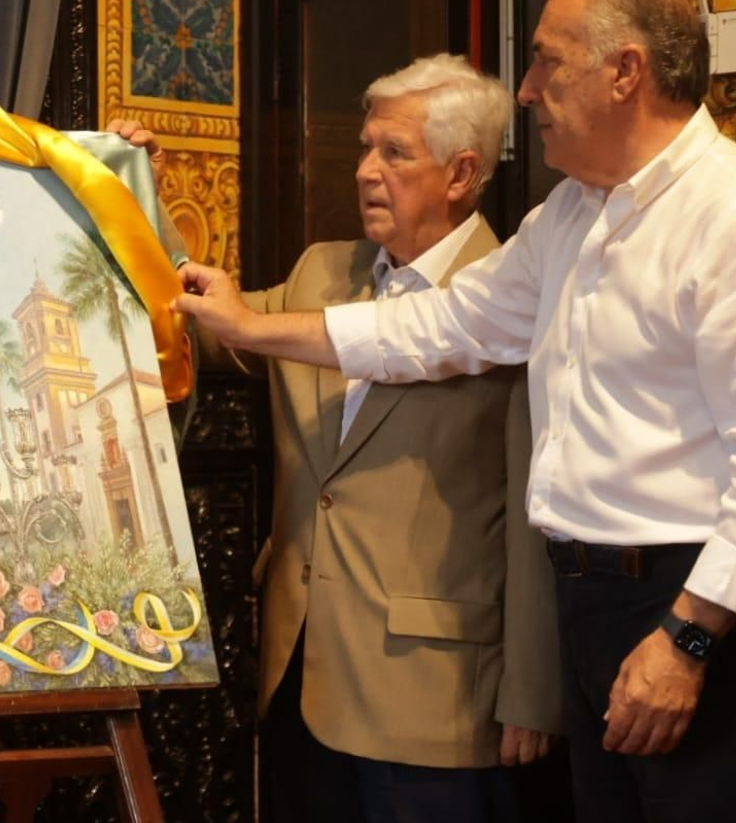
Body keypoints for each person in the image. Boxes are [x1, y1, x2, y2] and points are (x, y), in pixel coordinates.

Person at [176, 0, 736, 822]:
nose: (526, 91)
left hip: (689, 602)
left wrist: (686, 635)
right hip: (592, 599)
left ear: (626, 72)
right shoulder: (570, 216)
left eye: (545, 64)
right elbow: (438, 329)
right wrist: (248, 327)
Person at [120, 55, 561, 822]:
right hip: (298, 673)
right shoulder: (322, 274)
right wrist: (139, 194)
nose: (364, 171)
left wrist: (532, 690)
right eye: (364, 147)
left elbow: (534, 515)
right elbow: (202, 323)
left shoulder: (513, 297)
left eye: (393, 153)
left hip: (437, 696)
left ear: (462, 173)